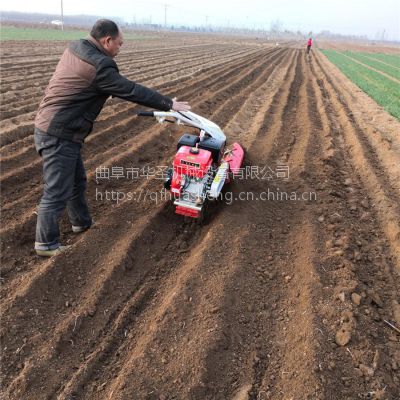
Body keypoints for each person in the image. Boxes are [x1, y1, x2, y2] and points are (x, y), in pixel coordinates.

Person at [34, 19, 191, 257]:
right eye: (120, 44)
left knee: (76, 182)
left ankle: (81, 223)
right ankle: (46, 244)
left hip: (57, 127)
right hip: (58, 132)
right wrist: (169, 104)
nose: (120, 48)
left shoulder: (77, 46)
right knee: (56, 190)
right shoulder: (100, 66)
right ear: (107, 41)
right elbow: (130, 89)